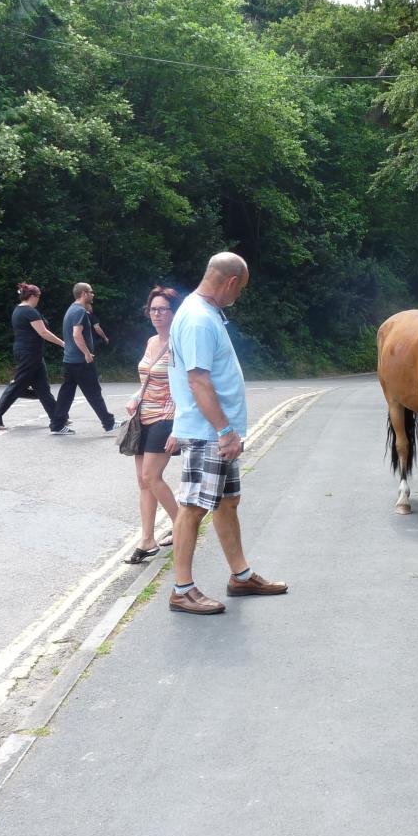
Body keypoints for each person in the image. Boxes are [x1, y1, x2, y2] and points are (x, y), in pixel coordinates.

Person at [166, 252, 287, 615]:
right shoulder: (199, 320)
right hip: (209, 433)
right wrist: (224, 430)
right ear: (231, 281)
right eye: (241, 289)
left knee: (225, 501)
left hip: (218, 432)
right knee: (192, 507)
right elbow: (197, 380)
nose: (239, 295)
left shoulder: (203, 313)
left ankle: (240, 575)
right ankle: (182, 589)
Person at [123, 286, 182, 564]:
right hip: (143, 416)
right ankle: (147, 540)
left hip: (167, 416)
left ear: (173, 313)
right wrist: (135, 398)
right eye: (153, 309)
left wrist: (179, 427)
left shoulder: (180, 344)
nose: (156, 314)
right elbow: (146, 380)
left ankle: (183, 525)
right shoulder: (150, 342)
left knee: (151, 477)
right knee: (143, 482)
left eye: (162, 310)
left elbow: (187, 387)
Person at [0, 282, 65, 430]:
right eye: (38, 296)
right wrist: (63, 343)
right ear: (33, 296)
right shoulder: (29, 311)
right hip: (29, 354)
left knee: (42, 387)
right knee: (18, 384)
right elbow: (43, 332)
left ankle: (57, 417)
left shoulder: (18, 310)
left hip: (29, 352)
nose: (39, 299)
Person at [48, 282, 117, 435]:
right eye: (91, 292)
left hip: (69, 360)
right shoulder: (79, 311)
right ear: (84, 293)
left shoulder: (71, 309)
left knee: (66, 394)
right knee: (94, 392)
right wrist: (86, 353)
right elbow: (76, 334)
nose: (93, 295)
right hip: (80, 361)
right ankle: (109, 423)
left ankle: (57, 425)